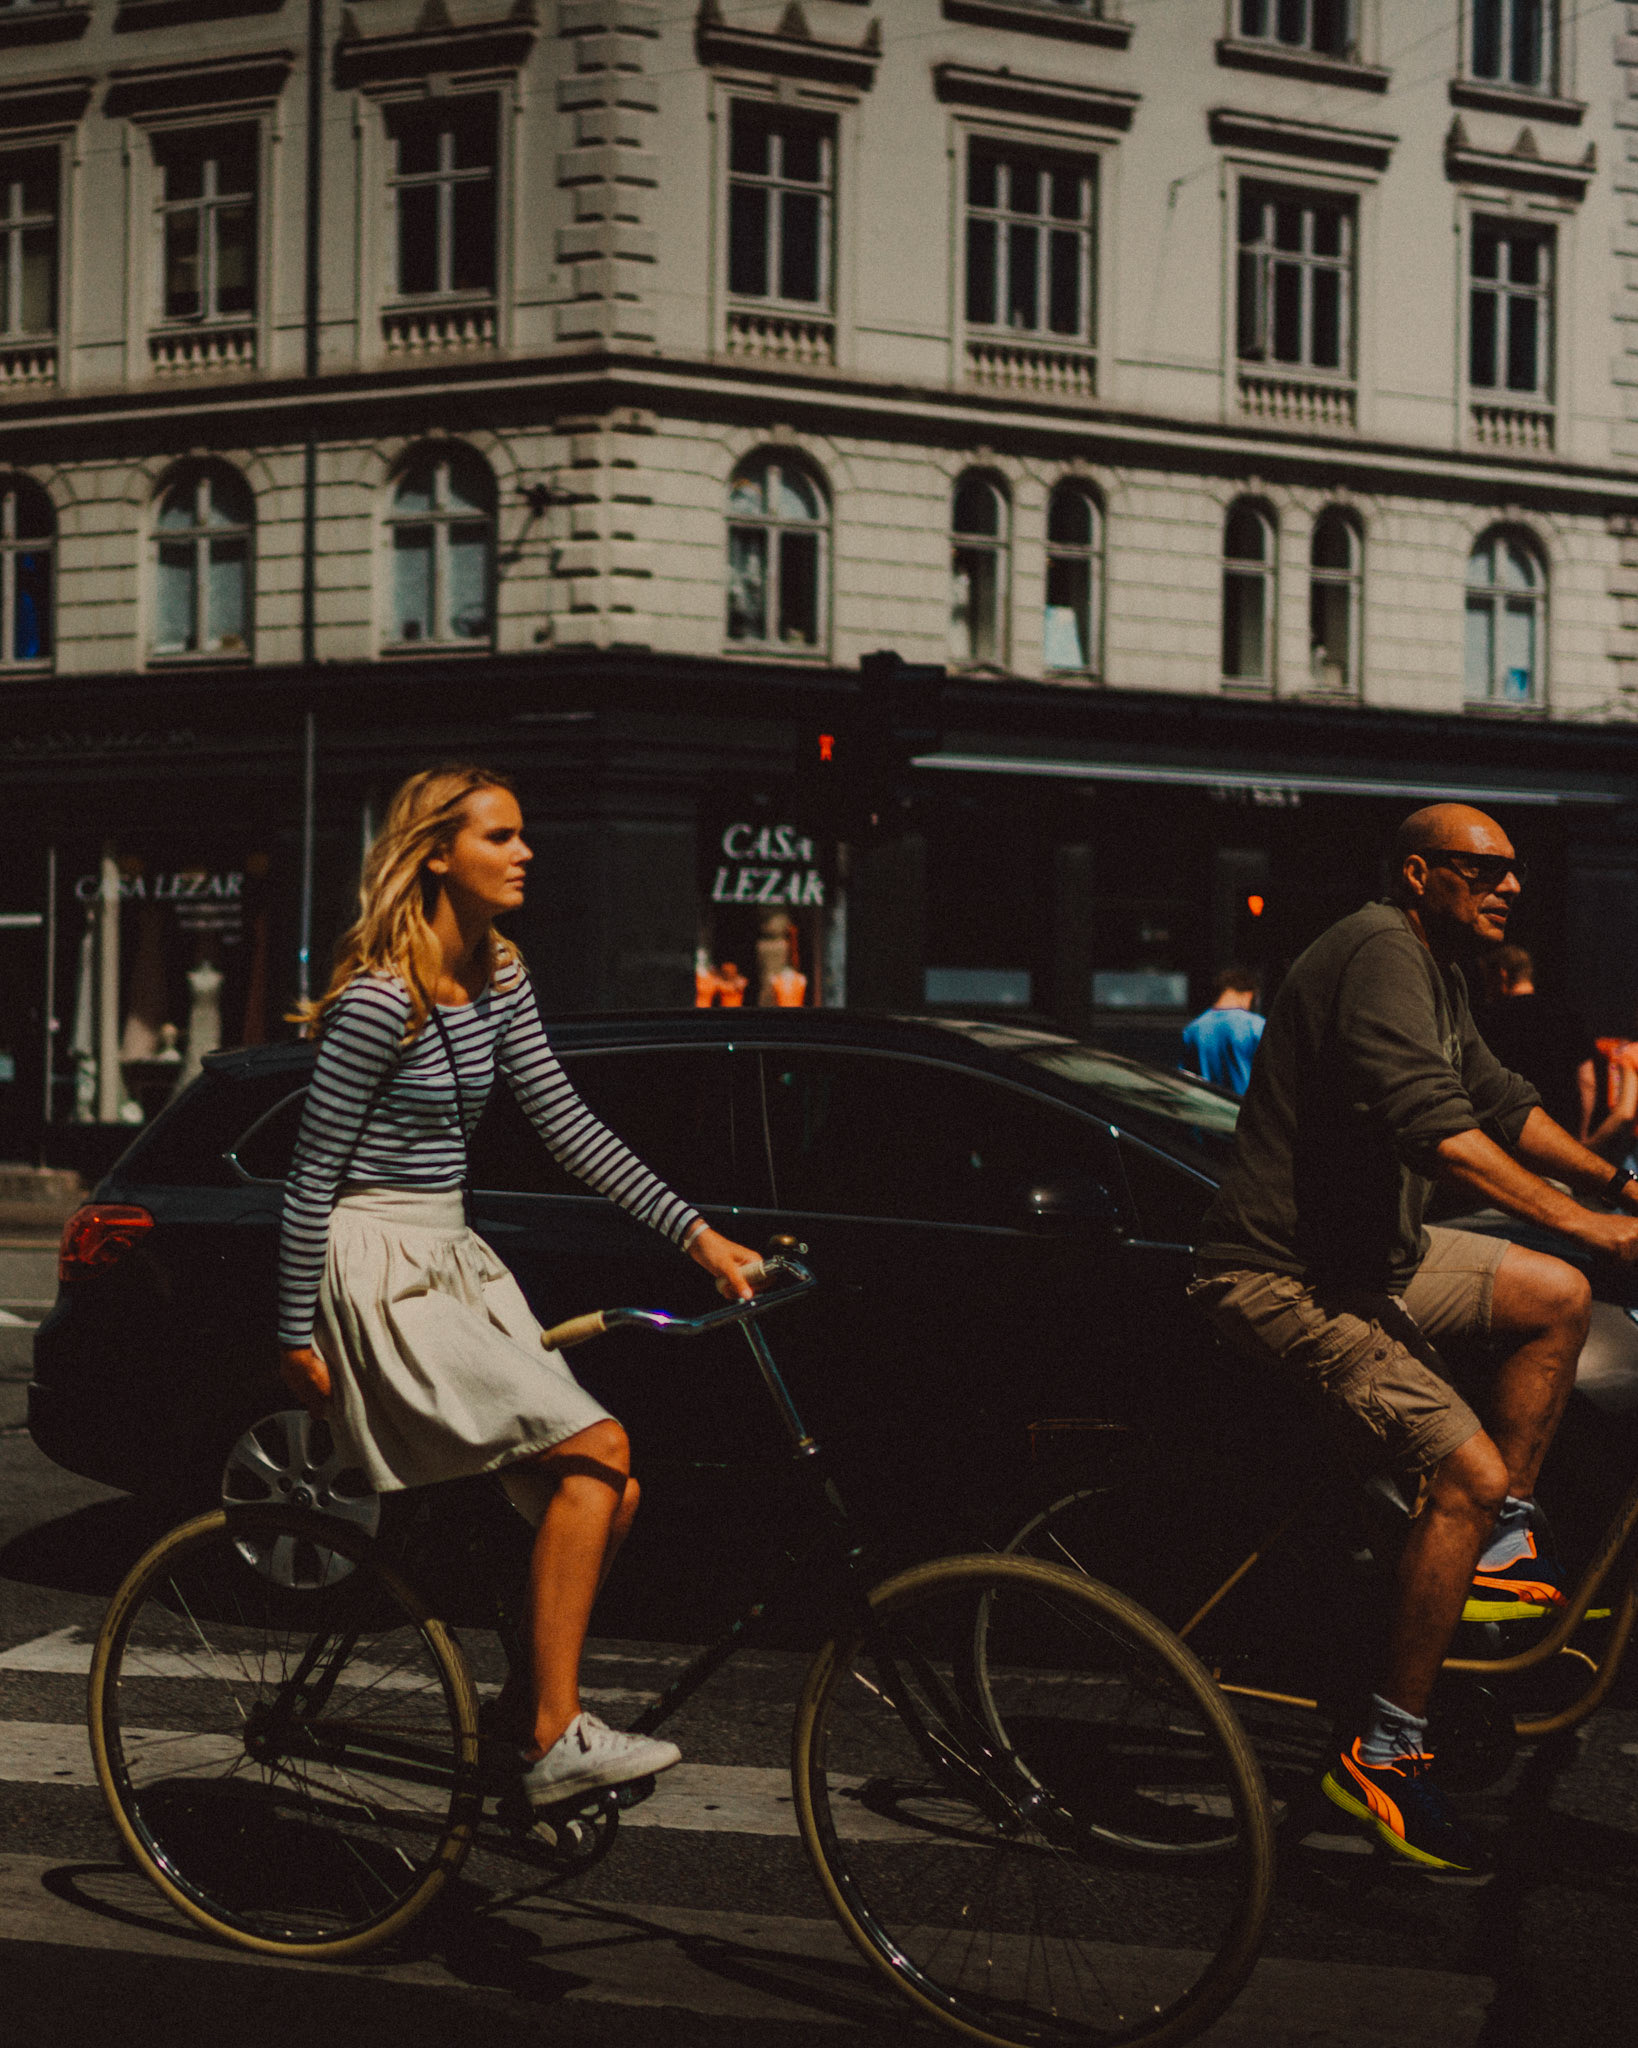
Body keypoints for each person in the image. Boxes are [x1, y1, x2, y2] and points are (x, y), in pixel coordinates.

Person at [277, 766, 763, 1813]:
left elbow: (570, 1124)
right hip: (380, 1266)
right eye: (502, 834)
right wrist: (291, 1331)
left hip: (456, 1257)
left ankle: (517, 1714)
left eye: (524, 834)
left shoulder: (500, 976)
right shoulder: (377, 1001)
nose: (525, 850)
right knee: (601, 1446)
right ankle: (553, 1731)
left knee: (607, 1493)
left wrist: (700, 1234)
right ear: (438, 853)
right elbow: (310, 1172)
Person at [1188, 804, 1638, 1875]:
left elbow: (1502, 1103)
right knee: (1467, 1469)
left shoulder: (1435, 966)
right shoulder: (1381, 948)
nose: (1512, 886)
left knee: (1554, 1294)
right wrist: (1596, 1221)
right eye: (1486, 870)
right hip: (1283, 1275)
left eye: (1518, 870)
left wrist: (1617, 1181)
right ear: (1418, 872)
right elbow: (1433, 1125)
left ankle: (1501, 1536)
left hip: (1372, 1259)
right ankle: (1384, 1753)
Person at [1479, 944, 1597, 1142]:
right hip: (1562, 1134)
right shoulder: (1566, 1014)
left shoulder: (1490, 1019)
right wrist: (1582, 1135)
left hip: (1511, 1136)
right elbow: (1587, 1081)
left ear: (1502, 974)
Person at [1182, 966, 1264, 1095]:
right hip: (1243, 1109)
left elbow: (1186, 1078)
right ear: (1248, 994)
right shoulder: (1255, 1026)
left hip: (1208, 1110)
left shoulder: (1193, 1028)